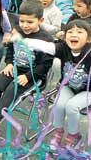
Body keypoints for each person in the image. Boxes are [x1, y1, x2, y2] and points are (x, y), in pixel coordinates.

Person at [0, 0, 54, 137]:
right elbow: (11, 49)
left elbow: (45, 66)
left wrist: (28, 77)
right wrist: (9, 63)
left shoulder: (46, 39)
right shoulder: (17, 31)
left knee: (12, 89)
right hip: (15, 68)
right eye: (22, 21)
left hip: (34, 76)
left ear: (40, 20)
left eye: (30, 22)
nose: (25, 25)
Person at [17, 20, 91, 149]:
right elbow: (44, 46)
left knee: (71, 107)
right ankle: (58, 132)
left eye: (79, 32)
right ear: (65, 36)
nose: (74, 34)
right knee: (59, 104)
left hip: (88, 91)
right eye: (70, 32)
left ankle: (74, 135)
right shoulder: (63, 48)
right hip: (69, 87)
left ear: (89, 39)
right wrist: (22, 40)